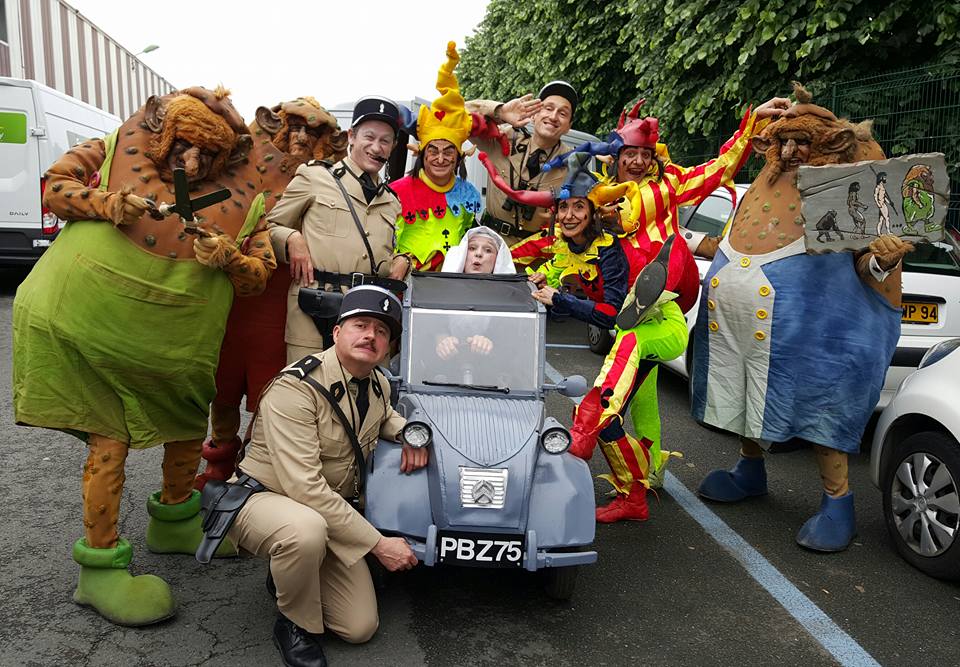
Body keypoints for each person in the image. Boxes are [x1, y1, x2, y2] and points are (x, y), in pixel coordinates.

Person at [12, 86, 275, 626]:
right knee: (110, 441)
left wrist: (227, 256)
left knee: (184, 429)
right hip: (94, 334)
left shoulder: (247, 205)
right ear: (162, 134)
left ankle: (175, 519)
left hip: (176, 352)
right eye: (184, 146)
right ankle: (101, 568)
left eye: (207, 154)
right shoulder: (108, 149)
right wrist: (106, 204)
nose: (192, 162)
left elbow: (258, 277)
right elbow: (54, 189)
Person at [692, 83, 913, 552]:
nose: (790, 151)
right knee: (749, 396)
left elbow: (868, 265)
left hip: (814, 338)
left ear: (827, 145)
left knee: (820, 411)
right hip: (748, 331)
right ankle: (749, 469)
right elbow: (730, 243)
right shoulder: (762, 185)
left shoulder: (846, 190)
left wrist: (885, 259)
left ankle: (838, 502)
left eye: (802, 142)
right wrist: (683, 243)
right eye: (782, 142)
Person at [544, 96, 790, 500]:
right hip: (626, 303)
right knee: (643, 400)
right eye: (630, 153)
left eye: (645, 154)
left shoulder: (670, 183)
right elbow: (567, 231)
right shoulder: (601, 196)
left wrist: (749, 128)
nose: (638, 161)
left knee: (626, 358)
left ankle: (592, 423)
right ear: (616, 157)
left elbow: (720, 168)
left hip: (658, 309)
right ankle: (649, 475)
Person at [227, 286, 426, 667]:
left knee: (360, 627)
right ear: (336, 332)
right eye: (361, 325)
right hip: (266, 499)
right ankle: (294, 624)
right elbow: (305, 488)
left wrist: (408, 433)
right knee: (304, 533)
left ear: (388, 347)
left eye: (382, 332)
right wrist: (378, 544)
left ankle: (292, 575)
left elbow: (381, 417)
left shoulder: (378, 383)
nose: (371, 335)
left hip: (325, 512)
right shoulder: (296, 387)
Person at [196, 97, 348, 490]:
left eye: (311, 132)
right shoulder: (247, 168)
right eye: (293, 127)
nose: (299, 138)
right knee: (224, 385)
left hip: (289, 304)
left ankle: (254, 466)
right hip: (237, 296)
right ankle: (220, 460)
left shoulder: (332, 181)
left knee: (275, 389)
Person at [267, 96, 413, 362]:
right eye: (369, 137)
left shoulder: (391, 201)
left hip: (366, 317)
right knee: (306, 396)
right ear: (351, 137)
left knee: (359, 399)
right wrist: (292, 238)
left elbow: (389, 248)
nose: (376, 147)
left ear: (392, 147)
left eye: (385, 141)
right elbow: (270, 227)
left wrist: (403, 260)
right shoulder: (314, 177)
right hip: (314, 310)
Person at [392, 42, 482, 271]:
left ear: (458, 156)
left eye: (448, 151)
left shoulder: (468, 193)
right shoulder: (396, 192)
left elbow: (467, 241)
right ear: (422, 154)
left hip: (450, 286)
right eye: (433, 150)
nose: (440, 158)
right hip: (405, 285)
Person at [466, 81, 579, 244]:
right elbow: (453, 114)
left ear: (569, 126)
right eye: (548, 108)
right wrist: (499, 111)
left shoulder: (573, 163)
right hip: (491, 249)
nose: (553, 116)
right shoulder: (503, 138)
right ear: (533, 115)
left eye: (563, 113)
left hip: (536, 259)